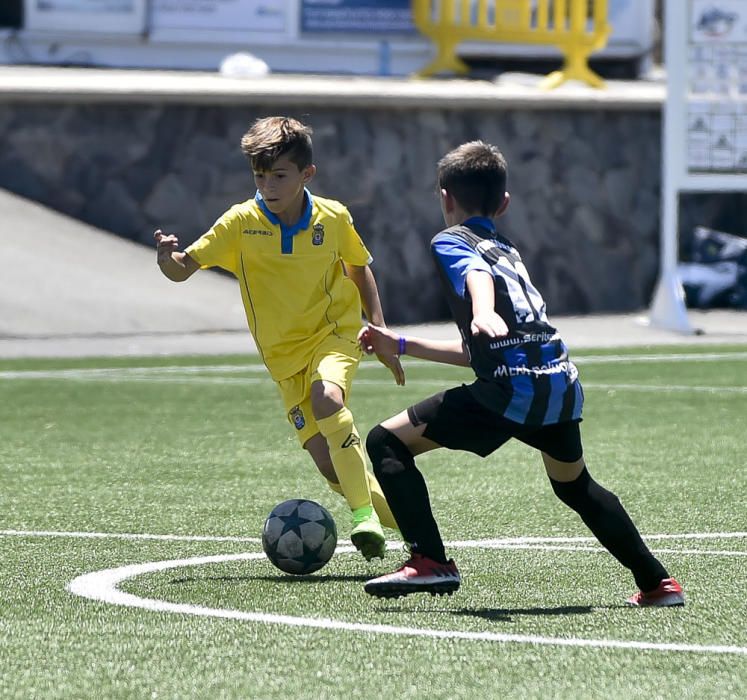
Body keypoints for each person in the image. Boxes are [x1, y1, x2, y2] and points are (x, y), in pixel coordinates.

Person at [359, 140, 684, 607]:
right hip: (558, 381)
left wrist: (483, 310)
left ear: (445, 197)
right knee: (576, 486)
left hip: (513, 389)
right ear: (505, 204)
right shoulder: (507, 248)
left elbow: (476, 279)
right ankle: (658, 584)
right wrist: (404, 345)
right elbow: (481, 351)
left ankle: (430, 562)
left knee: (385, 442)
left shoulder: (452, 241)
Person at [154, 116, 402, 561]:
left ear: (307, 174)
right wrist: (165, 258)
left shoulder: (333, 216)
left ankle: (364, 517)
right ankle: (410, 525)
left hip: (334, 335)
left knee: (328, 400)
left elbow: (358, 267)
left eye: (279, 175)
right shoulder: (239, 223)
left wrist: (377, 326)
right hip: (283, 361)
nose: (268, 184)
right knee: (328, 462)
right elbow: (182, 269)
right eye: (260, 175)